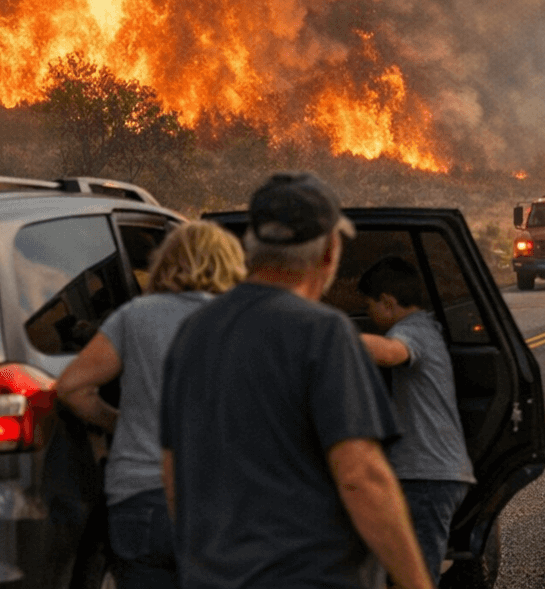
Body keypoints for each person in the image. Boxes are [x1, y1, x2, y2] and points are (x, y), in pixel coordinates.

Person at [159, 172, 434, 589]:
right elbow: (361, 475)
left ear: (252, 248)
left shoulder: (193, 331)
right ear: (328, 252)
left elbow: (173, 469)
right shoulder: (323, 332)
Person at [57, 221, 247, 589]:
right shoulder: (244, 321)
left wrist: (119, 423)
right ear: (229, 264)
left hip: (139, 497)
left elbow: (72, 387)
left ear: (167, 262)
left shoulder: (135, 316)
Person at [357, 256, 476, 585]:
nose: (368, 315)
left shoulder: (414, 331)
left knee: (416, 578)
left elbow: (392, 353)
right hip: (427, 474)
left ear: (387, 302)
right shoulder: (426, 327)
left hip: (428, 476)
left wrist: (328, 333)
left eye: (369, 306)